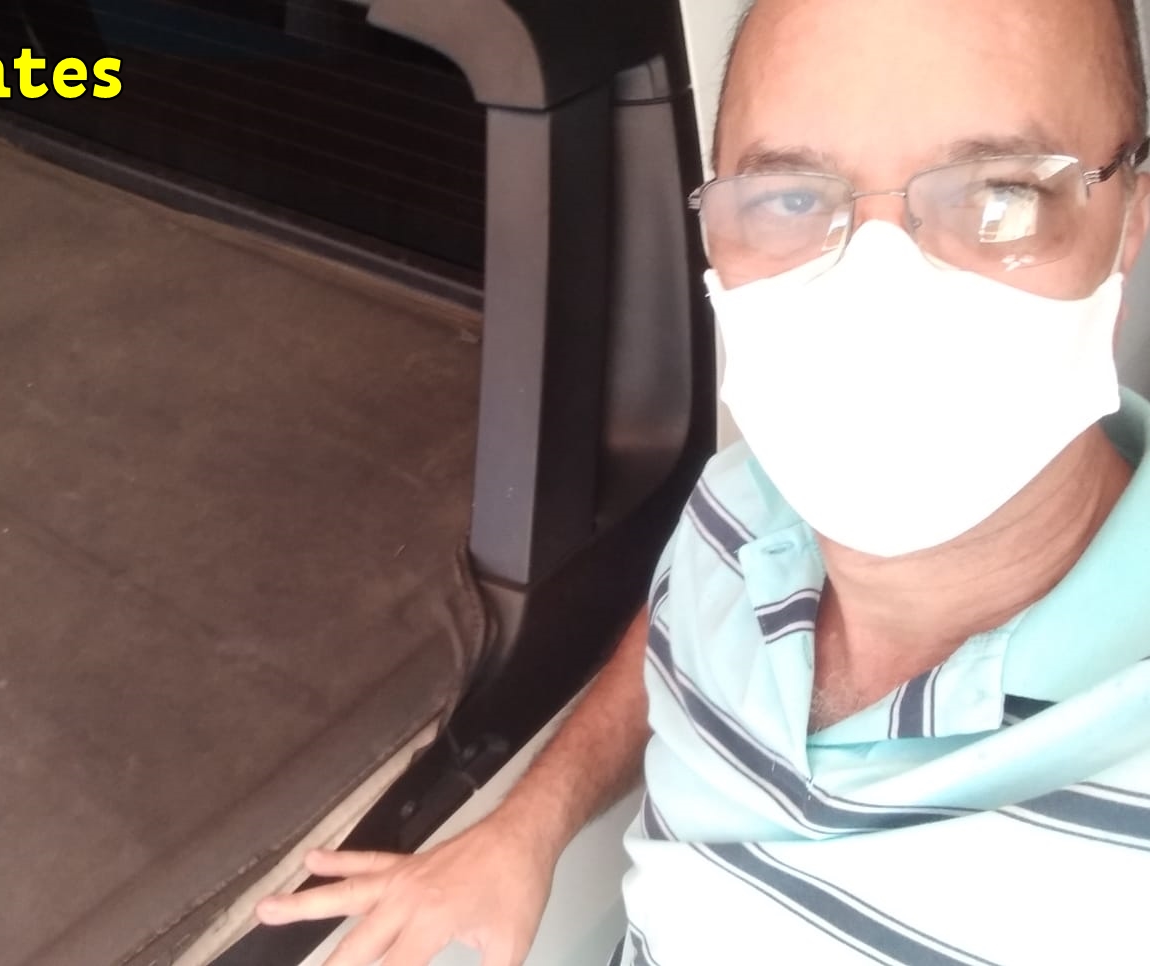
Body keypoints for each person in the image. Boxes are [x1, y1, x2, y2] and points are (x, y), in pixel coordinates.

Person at [257, 0, 1150, 962]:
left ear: (1132, 220)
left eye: (1002, 196)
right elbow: (682, 623)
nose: (878, 300)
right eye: (792, 200)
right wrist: (528, 826)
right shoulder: (746, 502)